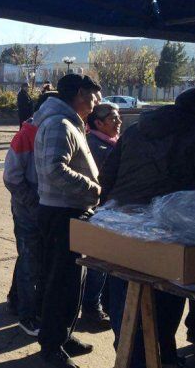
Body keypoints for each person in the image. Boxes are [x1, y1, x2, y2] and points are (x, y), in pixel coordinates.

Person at [101, 87, 195, 368]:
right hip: (166, 231)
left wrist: (115, 209)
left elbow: (107, 174)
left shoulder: (136, 129)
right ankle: (159, 358)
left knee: (127, 295)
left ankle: (135, 355)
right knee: (161, 303)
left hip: (122, 226)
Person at [34, 73, 101, 368]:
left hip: (70, 212)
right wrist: (94, 189)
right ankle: (51, 347)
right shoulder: (59, 124)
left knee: (72, 282)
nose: (97, 102)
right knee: (59, 283)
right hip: (62, 214)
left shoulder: (70, 122)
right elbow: (53, 170)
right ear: (78, 94)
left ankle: (62, 335)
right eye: (93, 95)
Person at [3, 91, 58, 336]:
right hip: (29, 211)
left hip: (45, 210)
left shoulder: (52, 131)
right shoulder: (26, 135)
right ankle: (28, 315)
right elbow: (12, 178)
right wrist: (34, 204)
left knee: (29, 258)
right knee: (30, 261)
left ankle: (16, 300)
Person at [78, 103, 122, 331]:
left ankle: (99, 305)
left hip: (110, 210)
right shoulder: (95, 145)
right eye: (113, 118)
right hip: (100, 209)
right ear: (98, 123)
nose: (119, 122)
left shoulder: (110, 143)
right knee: (98, 262)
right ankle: (91, 309)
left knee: (105, 262)